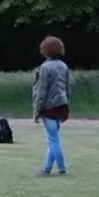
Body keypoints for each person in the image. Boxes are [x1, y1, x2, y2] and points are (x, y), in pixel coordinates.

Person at [32, 35, 71, 177]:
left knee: (54, 139)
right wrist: (67, 106)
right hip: (62, 106)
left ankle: (62, 169)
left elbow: (41, 91)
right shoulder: (64, 66)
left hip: (49, 108)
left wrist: (36, 111)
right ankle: (47, 169)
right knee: (54, 138)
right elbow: (68, 88)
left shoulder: (45, 68)